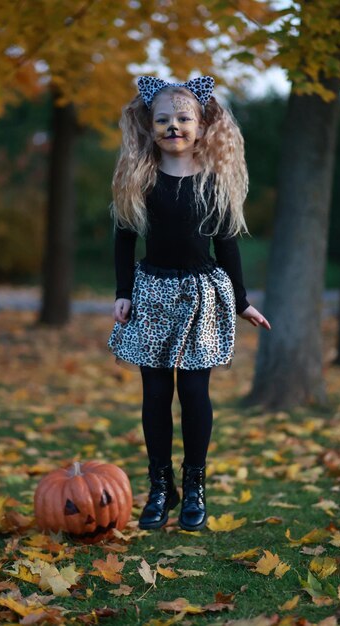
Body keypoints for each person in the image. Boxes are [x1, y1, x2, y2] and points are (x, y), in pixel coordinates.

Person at [107, 75, 271, 532]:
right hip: (152, 294)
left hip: (203, 296)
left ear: (201, 126)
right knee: (156, 393)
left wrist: (241, 302)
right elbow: (124, 239)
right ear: (149, 125)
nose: (173, 126)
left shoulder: (213, 179)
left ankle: (194, 485)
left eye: (183, 119)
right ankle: (161, 486)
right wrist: (123, 293)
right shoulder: (139, 175)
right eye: (163, 120)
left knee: (194, 393)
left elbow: (227, 244)